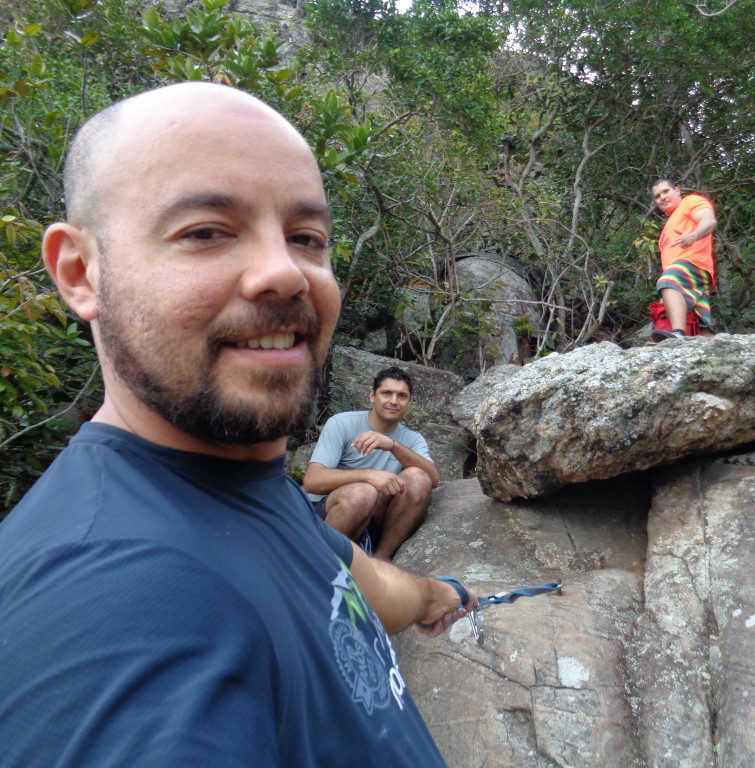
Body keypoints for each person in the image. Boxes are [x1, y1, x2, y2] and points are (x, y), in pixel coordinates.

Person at [0, 82, 475, 768]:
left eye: (306, 237)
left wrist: (442, 594)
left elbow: (349, 574)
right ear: (80, 272)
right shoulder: (121, 600)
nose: (284, 273)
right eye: (206, 232)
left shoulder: (241, 488)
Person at [304, 366, 440, 560]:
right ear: (372, 396)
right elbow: (312, 481)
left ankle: (381, 562)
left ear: (409, 402)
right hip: (329, 516)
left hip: (375, 518)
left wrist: (393, 445)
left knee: (418, 478)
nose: (393, 401)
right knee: (363, 492)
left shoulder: (412, 439)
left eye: (401, 396)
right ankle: (322, 566)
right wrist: (368, 475)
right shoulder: (342, 423)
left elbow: (433, 478)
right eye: (386, 393)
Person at [649, 178, 717, 340]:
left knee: (668, 281)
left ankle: (678, 334)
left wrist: (693, 235)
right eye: (658, 196)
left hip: (693, 264)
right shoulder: (666, 229)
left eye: (666, 192)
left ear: (677, 190)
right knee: (699, 324)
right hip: (685, 276)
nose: (662, 197)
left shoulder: (690, 201)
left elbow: (709, 220)